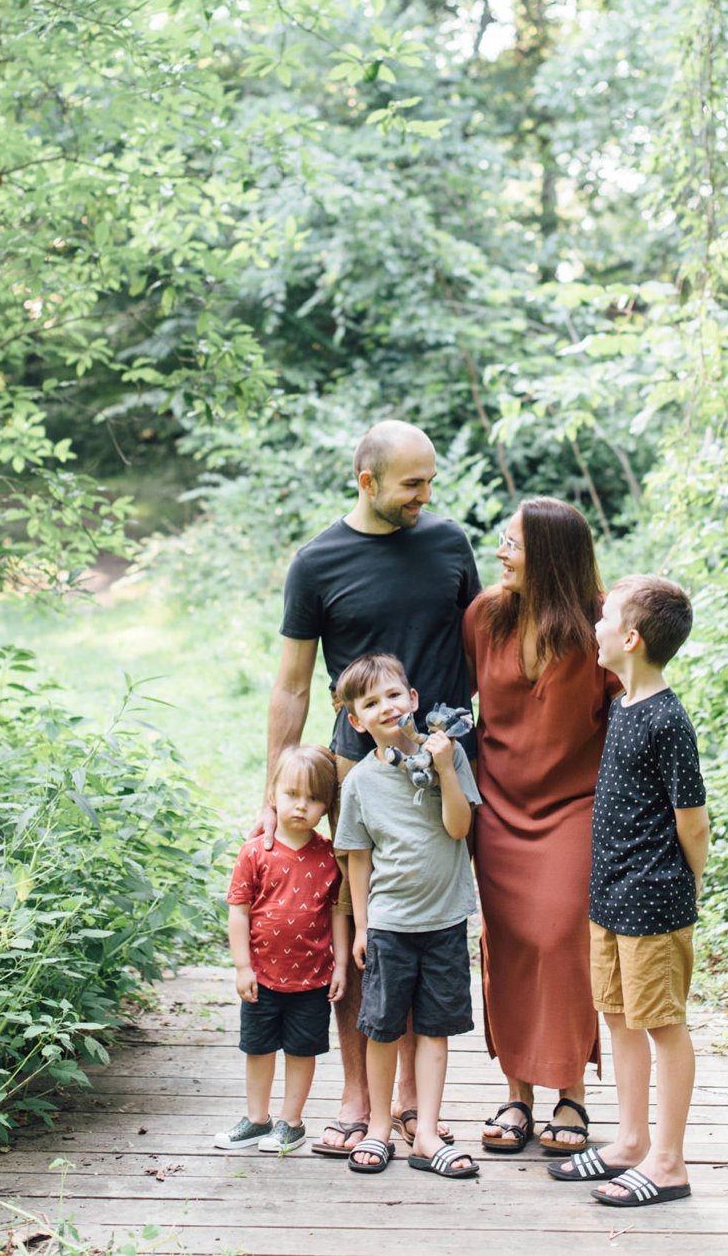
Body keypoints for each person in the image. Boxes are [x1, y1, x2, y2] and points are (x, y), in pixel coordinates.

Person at [266, 419, 481, 1156]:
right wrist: (275, 792)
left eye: (430, 481)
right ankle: (359, 1094)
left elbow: (483, 645)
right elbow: (294, 685)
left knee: (428, 924)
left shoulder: (450, 543)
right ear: (368, 481)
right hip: (358, 771)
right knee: (364, 928)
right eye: (411, 484)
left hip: (443, 766)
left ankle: (417, 1103)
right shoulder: (317, 563)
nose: (425, 496)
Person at [465, 498, 621, 1158]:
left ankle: (570, 1094)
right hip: (496, 808)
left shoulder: (603, 626)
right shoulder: (485, 616)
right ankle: (517, 1093)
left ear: (550, 555)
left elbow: (631, 712)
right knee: (507, 945)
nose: (499, 550)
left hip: (572, 807)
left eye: (513, 541)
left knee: (561, 938)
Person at [547, 575, 708, 1209]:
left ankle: (669, 1162)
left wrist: (690, 882)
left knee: (662, 1023)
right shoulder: (621, 704)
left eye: (605, 618)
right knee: (617, 1017)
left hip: (654, 900)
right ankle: (632, 1140)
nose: (595, 627)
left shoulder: (668, 720)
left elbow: (691, 819)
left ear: (632, 638)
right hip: (611, 896)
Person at [331, 653, 483, 1179]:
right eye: (371, 703)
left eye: (394, 695)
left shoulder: (451, 756)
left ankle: (425, 1132)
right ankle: (377, 1127)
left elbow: (460, 829)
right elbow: (357, 856)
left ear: (414, 699)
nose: (386, 707)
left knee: (435, 1029)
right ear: (356, 720)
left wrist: (443, 768)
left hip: (444, 919)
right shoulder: (359, 783)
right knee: (382, 1028)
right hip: (391, 924)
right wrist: (364, 926)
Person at [218, 743, 349, 1155]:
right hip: (262, 977)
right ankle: (258, 1119)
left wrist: (341, 966)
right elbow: (238, 911)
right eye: (292, 794)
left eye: (313, 798)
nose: (300, 806)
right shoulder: (256, 851)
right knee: (258, 1049)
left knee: (301, 1050)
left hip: (312, 979)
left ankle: (291, 1122)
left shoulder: (329, 856)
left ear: (326, 805)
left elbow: (337, 915)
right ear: (272, 794)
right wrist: (242, 967)